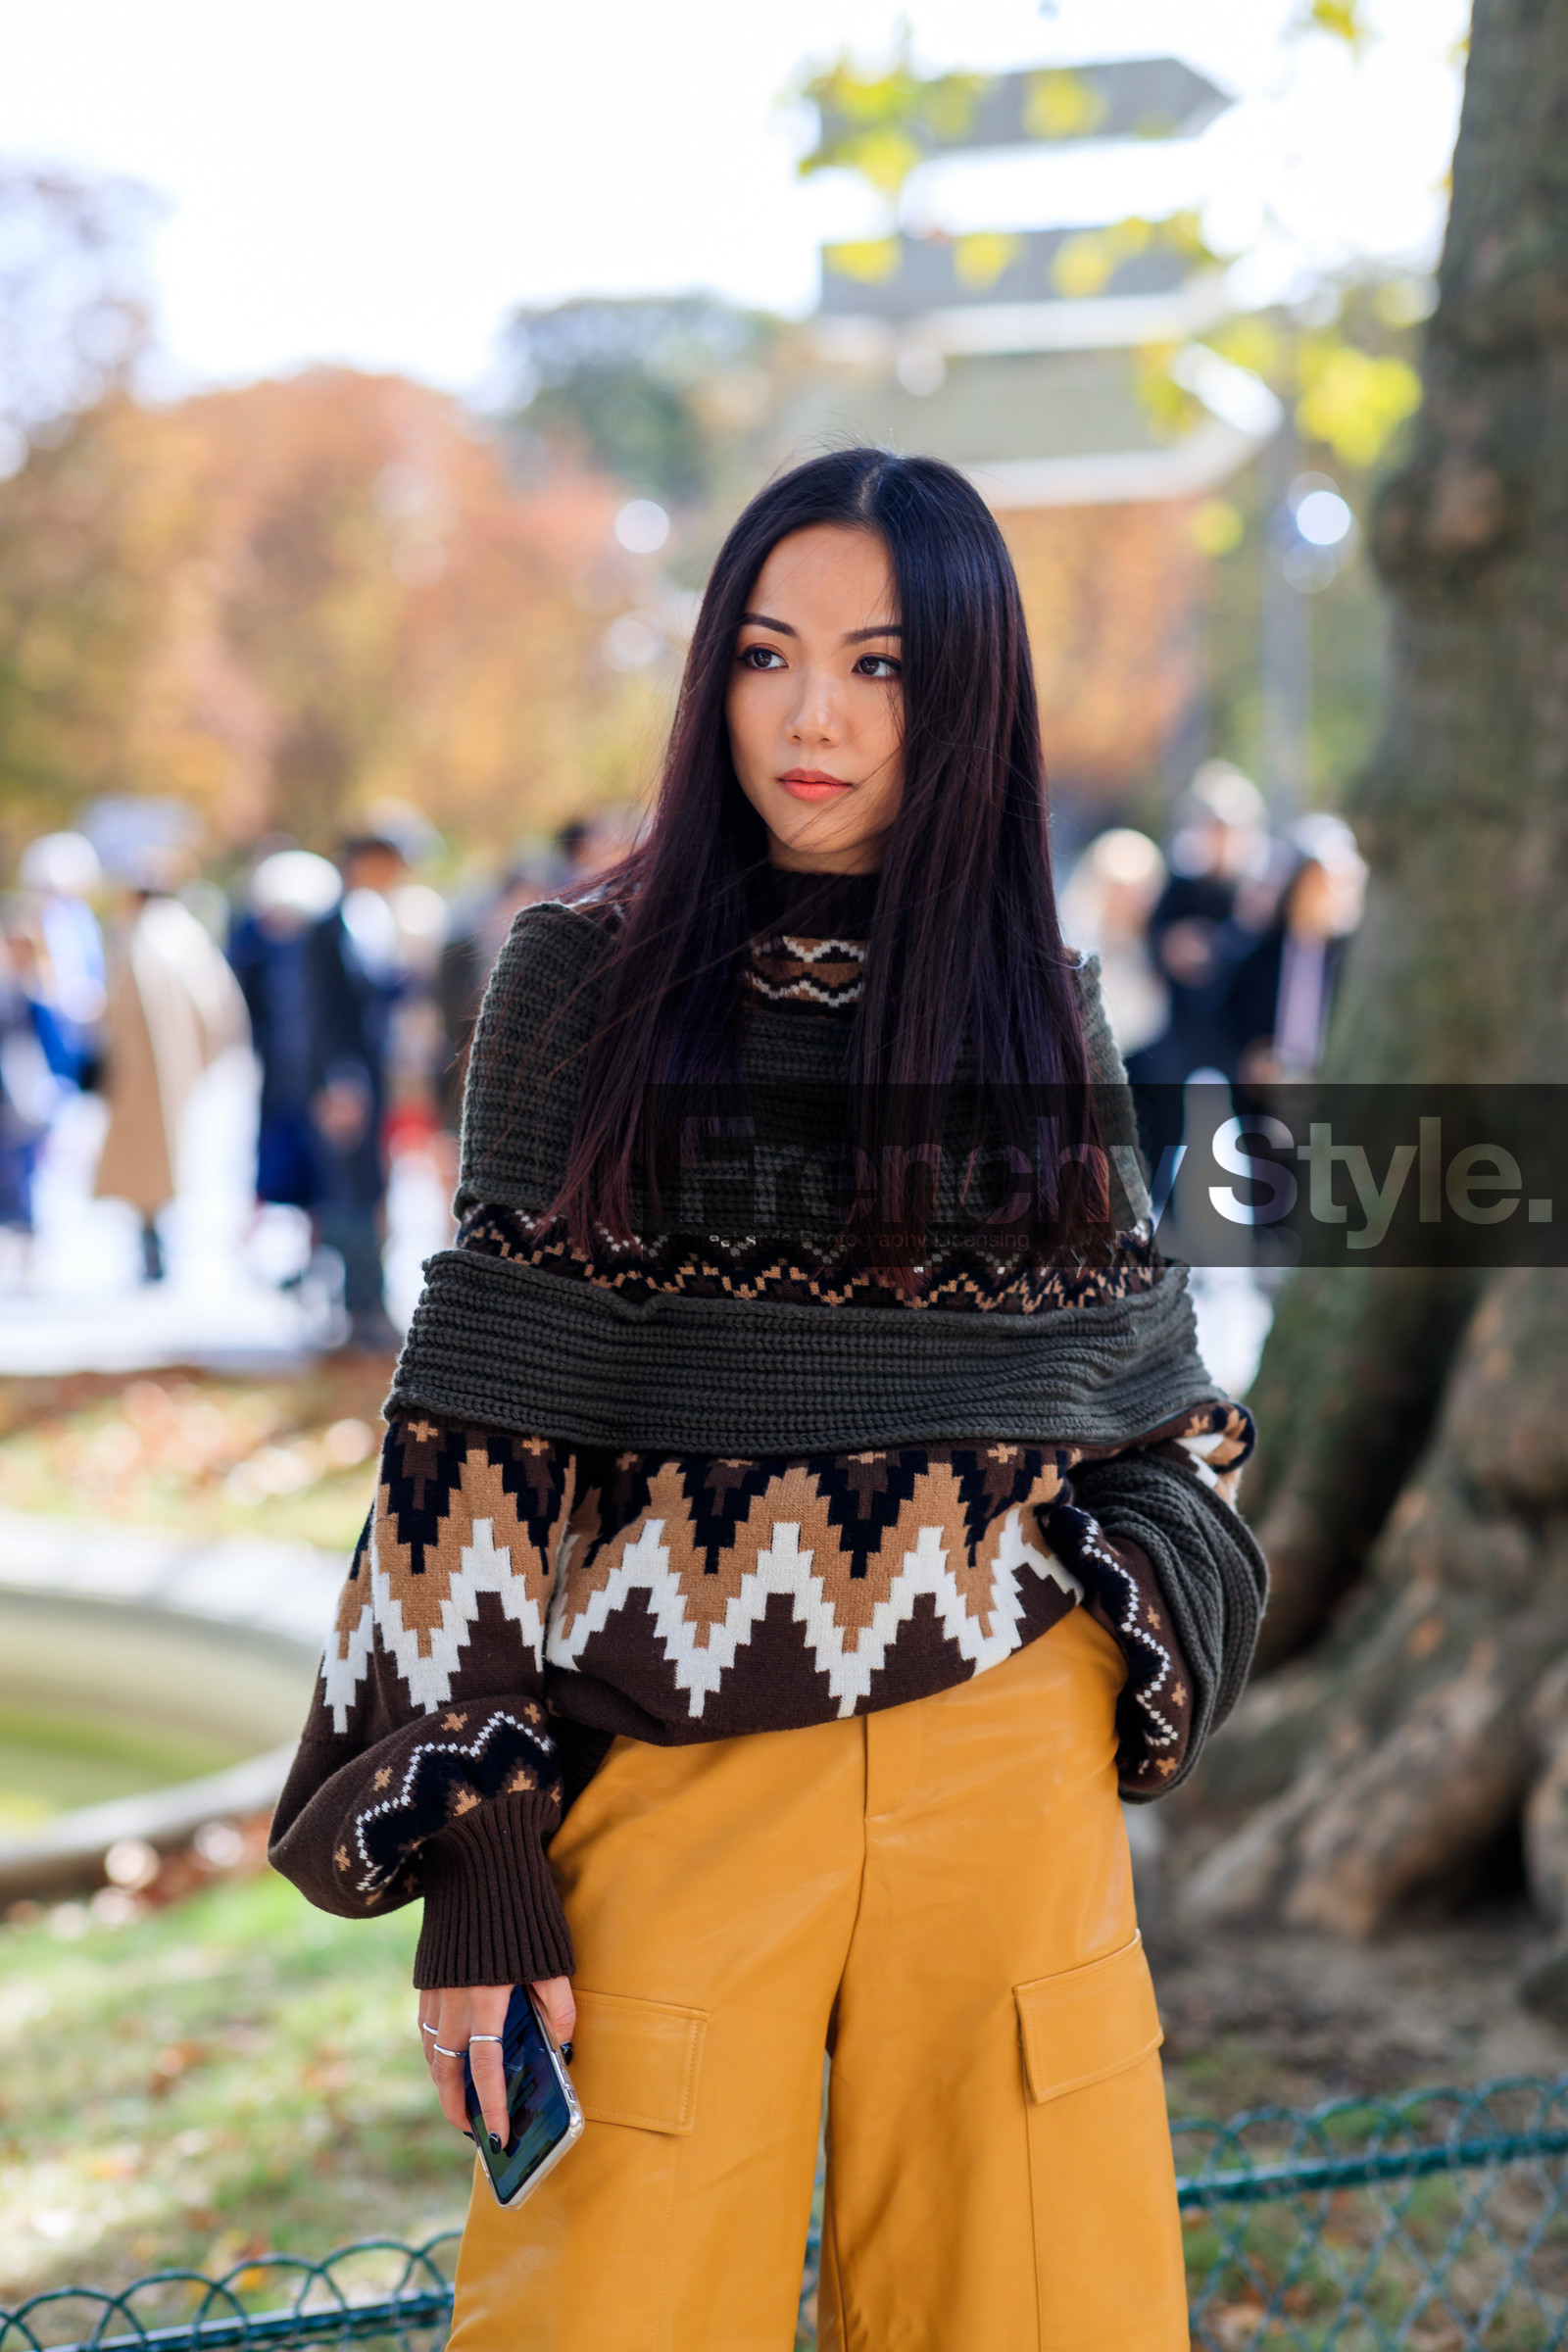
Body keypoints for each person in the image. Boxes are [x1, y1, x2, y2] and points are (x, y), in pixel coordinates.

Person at [269, 450, 1267, 2349]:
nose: (811, 714)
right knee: (605, 2308)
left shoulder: (1035, 996)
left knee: (1037, 2307)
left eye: (881, 665)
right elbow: (483, 1419)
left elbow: (1151, 1394)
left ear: (965, 692)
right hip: (674, 1761)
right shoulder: (582, 975)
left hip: (1004, 1759)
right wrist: (476, 1860)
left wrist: (1105, 1643)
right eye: (765, 653)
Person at [93, 861, 249, 1281]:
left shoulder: (139, 938)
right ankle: (153, 1241)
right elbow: (221, 1013)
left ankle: (151, 1243)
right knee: (164, 1160)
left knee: (145, 1164)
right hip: (177, 1074)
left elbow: (114, 1016)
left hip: (137, 1075)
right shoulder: (189, 937)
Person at [1224, 813, 1367, 1085]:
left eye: (1331, 882)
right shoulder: (1257, 955)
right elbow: (1229, 1026)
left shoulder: (1355, 960)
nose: (1322, 892)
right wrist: (1252, 1059)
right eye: (1314, 880)